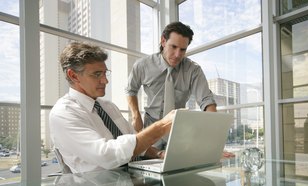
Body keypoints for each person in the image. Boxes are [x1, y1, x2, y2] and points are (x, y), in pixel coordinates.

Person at [49, 42, 175, 173]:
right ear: (73, 76)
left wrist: (159, 154)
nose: (105, 81)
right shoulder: (63, 113)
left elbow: (135, 141)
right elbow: (106, 155)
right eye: (97, 74)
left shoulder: (108, 107)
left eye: (105, 73)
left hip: (133, 179)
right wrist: (161, 127)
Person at [126, 21, 217, 149]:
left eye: (183, 49)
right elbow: (131, 90)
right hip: (151, 126)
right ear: (163, 41)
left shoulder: (193, 70)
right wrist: (136, 116)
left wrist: (213, 133)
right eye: (173, 47)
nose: (177, 54)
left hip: (179, 129)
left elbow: (206, 100)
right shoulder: (142, 65)